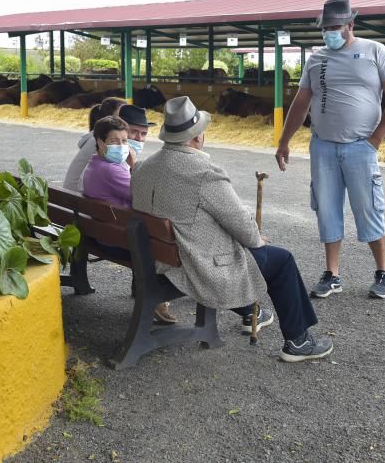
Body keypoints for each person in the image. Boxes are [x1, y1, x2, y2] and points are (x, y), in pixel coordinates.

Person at [131, 96, 333, 362]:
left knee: (254, 253)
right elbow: (246, 231)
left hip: (156, 258)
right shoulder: (204, 171)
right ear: (197, 137)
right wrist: (255, 237)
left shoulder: (144, 167)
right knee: (281, 260)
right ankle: (298, 341)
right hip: (194, 265)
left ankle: (253, 312)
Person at [275, 0, 385, 299]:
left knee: (369, 207)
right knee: (326, 208)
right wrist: (284, 140)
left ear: (350, 25)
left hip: (361, 146)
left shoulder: (374, 51)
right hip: (323, 146)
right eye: (325, 28)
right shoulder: (316, 58)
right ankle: (332, 274)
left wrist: (376, 139)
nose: (329, 33)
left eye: (335, 27)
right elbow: (301, 102)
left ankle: (383, 271)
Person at [82, 111, 174, 324]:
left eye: (124, 140)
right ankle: (158, 296)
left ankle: (154, 294)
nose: (122, 145)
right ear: (100, 142)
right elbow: (147, 198)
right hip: (119, 241)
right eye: (115, 141)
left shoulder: (96, 164)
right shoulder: (111, 170)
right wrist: (135, 164)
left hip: (103, 234)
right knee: (169, 240)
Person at [63, 97, 126, 192]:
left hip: (72, 198)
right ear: (110, 119)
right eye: (123, 115)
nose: (127, 119)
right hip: (78, 200)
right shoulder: (103, 141)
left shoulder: (97, 136)